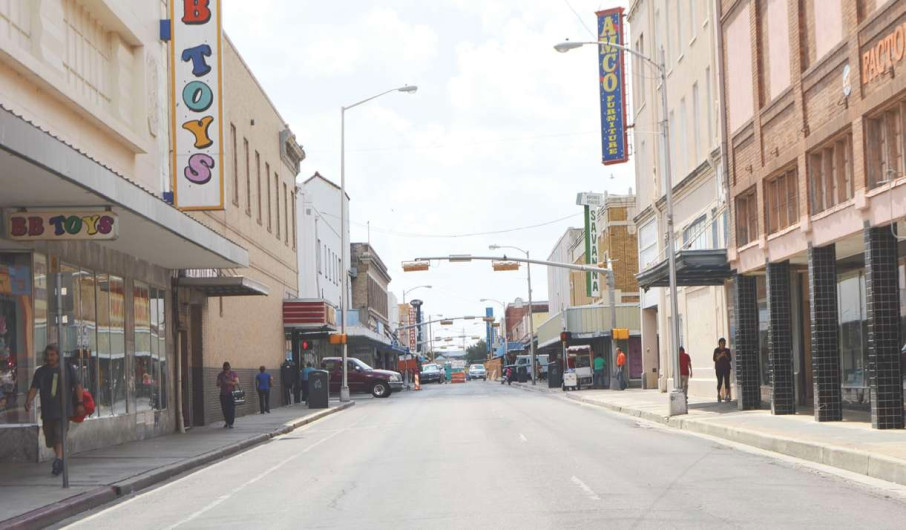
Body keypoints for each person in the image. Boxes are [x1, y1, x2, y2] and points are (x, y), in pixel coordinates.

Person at [24, 344, 85, 476]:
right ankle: (61, 457)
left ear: (58, 355)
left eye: (52, 355)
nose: (50, 357)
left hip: (63, 410)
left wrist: (80, 403)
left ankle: (58, 460)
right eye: (48, 355)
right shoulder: (41, 372)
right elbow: (34, 388)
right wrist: (28, 401)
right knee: (50, 439)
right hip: (48, 411)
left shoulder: (67, 369)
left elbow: (78, 386)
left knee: (59, 435)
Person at [216, 362, 239, 428]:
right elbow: (217, 384)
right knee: (224, 409)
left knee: (231, 409)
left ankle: (231, 423)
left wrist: (230, 382)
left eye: (227, 369)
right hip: (223, 394)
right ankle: (227, 422)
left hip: (231, 393)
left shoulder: (233, 373)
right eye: (225, 369)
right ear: (223, 368)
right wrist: (220, 383)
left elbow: (237, 382)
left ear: (229, 368)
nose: (226, 370)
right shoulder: (220, 375)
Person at [713, 338, 732, 402]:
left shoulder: (727, 350)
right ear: (719, 344)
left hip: (726, 368)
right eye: (722, 343)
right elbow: (715, 359)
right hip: (719, 368)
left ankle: (726, 395)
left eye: (724, 343)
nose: (723, 344)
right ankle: (719, 394)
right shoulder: (716, 350)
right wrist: (721, 355)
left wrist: (725, 355)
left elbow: (729, 359)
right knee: (720, 381)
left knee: (727, 381)